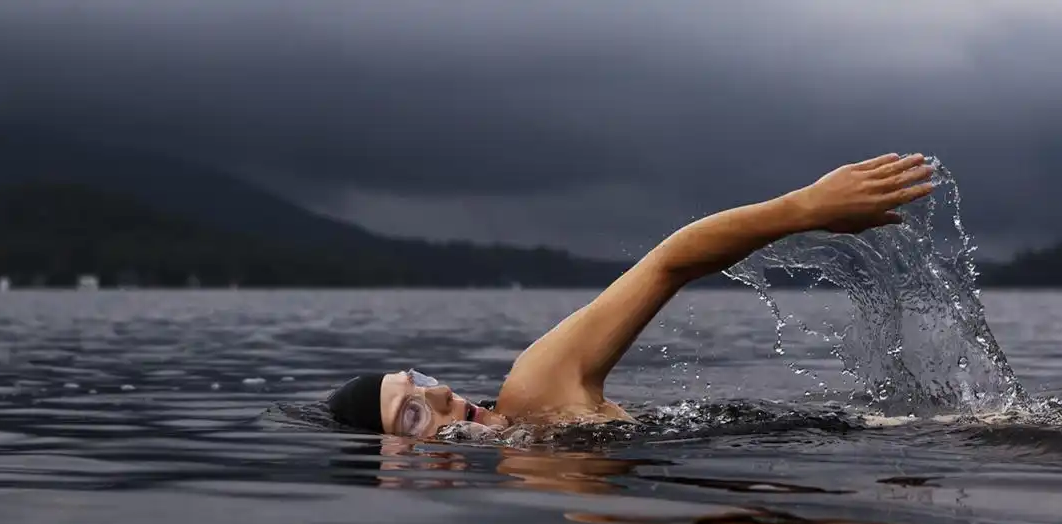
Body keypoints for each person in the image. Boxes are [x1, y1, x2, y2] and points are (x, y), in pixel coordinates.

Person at [326, 153, 936, 438]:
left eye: (421, 379)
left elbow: (667, 264)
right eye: (413, 413)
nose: (440, 393)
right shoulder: (532, 512)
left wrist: (803, 209)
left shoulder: (535, 393)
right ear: (394, 469)